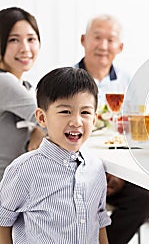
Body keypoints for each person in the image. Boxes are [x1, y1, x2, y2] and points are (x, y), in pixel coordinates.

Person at [0, 67, 110, 243]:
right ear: (42, 118)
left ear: (94, 119)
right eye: (65, 111)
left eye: (85, 113)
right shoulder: (23, 170)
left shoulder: (95, 167)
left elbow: (100, 220)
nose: (76, 121)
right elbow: (2, 223)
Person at [75, 14, 149, 244]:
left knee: (145, 199)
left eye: (110, 40)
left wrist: (119, 173)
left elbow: (139, 132)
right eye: (96, 37)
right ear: (83, 40)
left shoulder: (128, 82)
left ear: (120, 47)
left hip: (116, 170)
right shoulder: (67, 80)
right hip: (77, 169)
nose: (103, 46)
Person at [0, 7, 46, 180]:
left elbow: (47, 121)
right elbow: (55, 121)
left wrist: (40, 129)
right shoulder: (4, 82)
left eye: (31, 39)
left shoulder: (25, 86)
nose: (25, 48)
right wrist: (43, 127)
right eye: (13, 40)